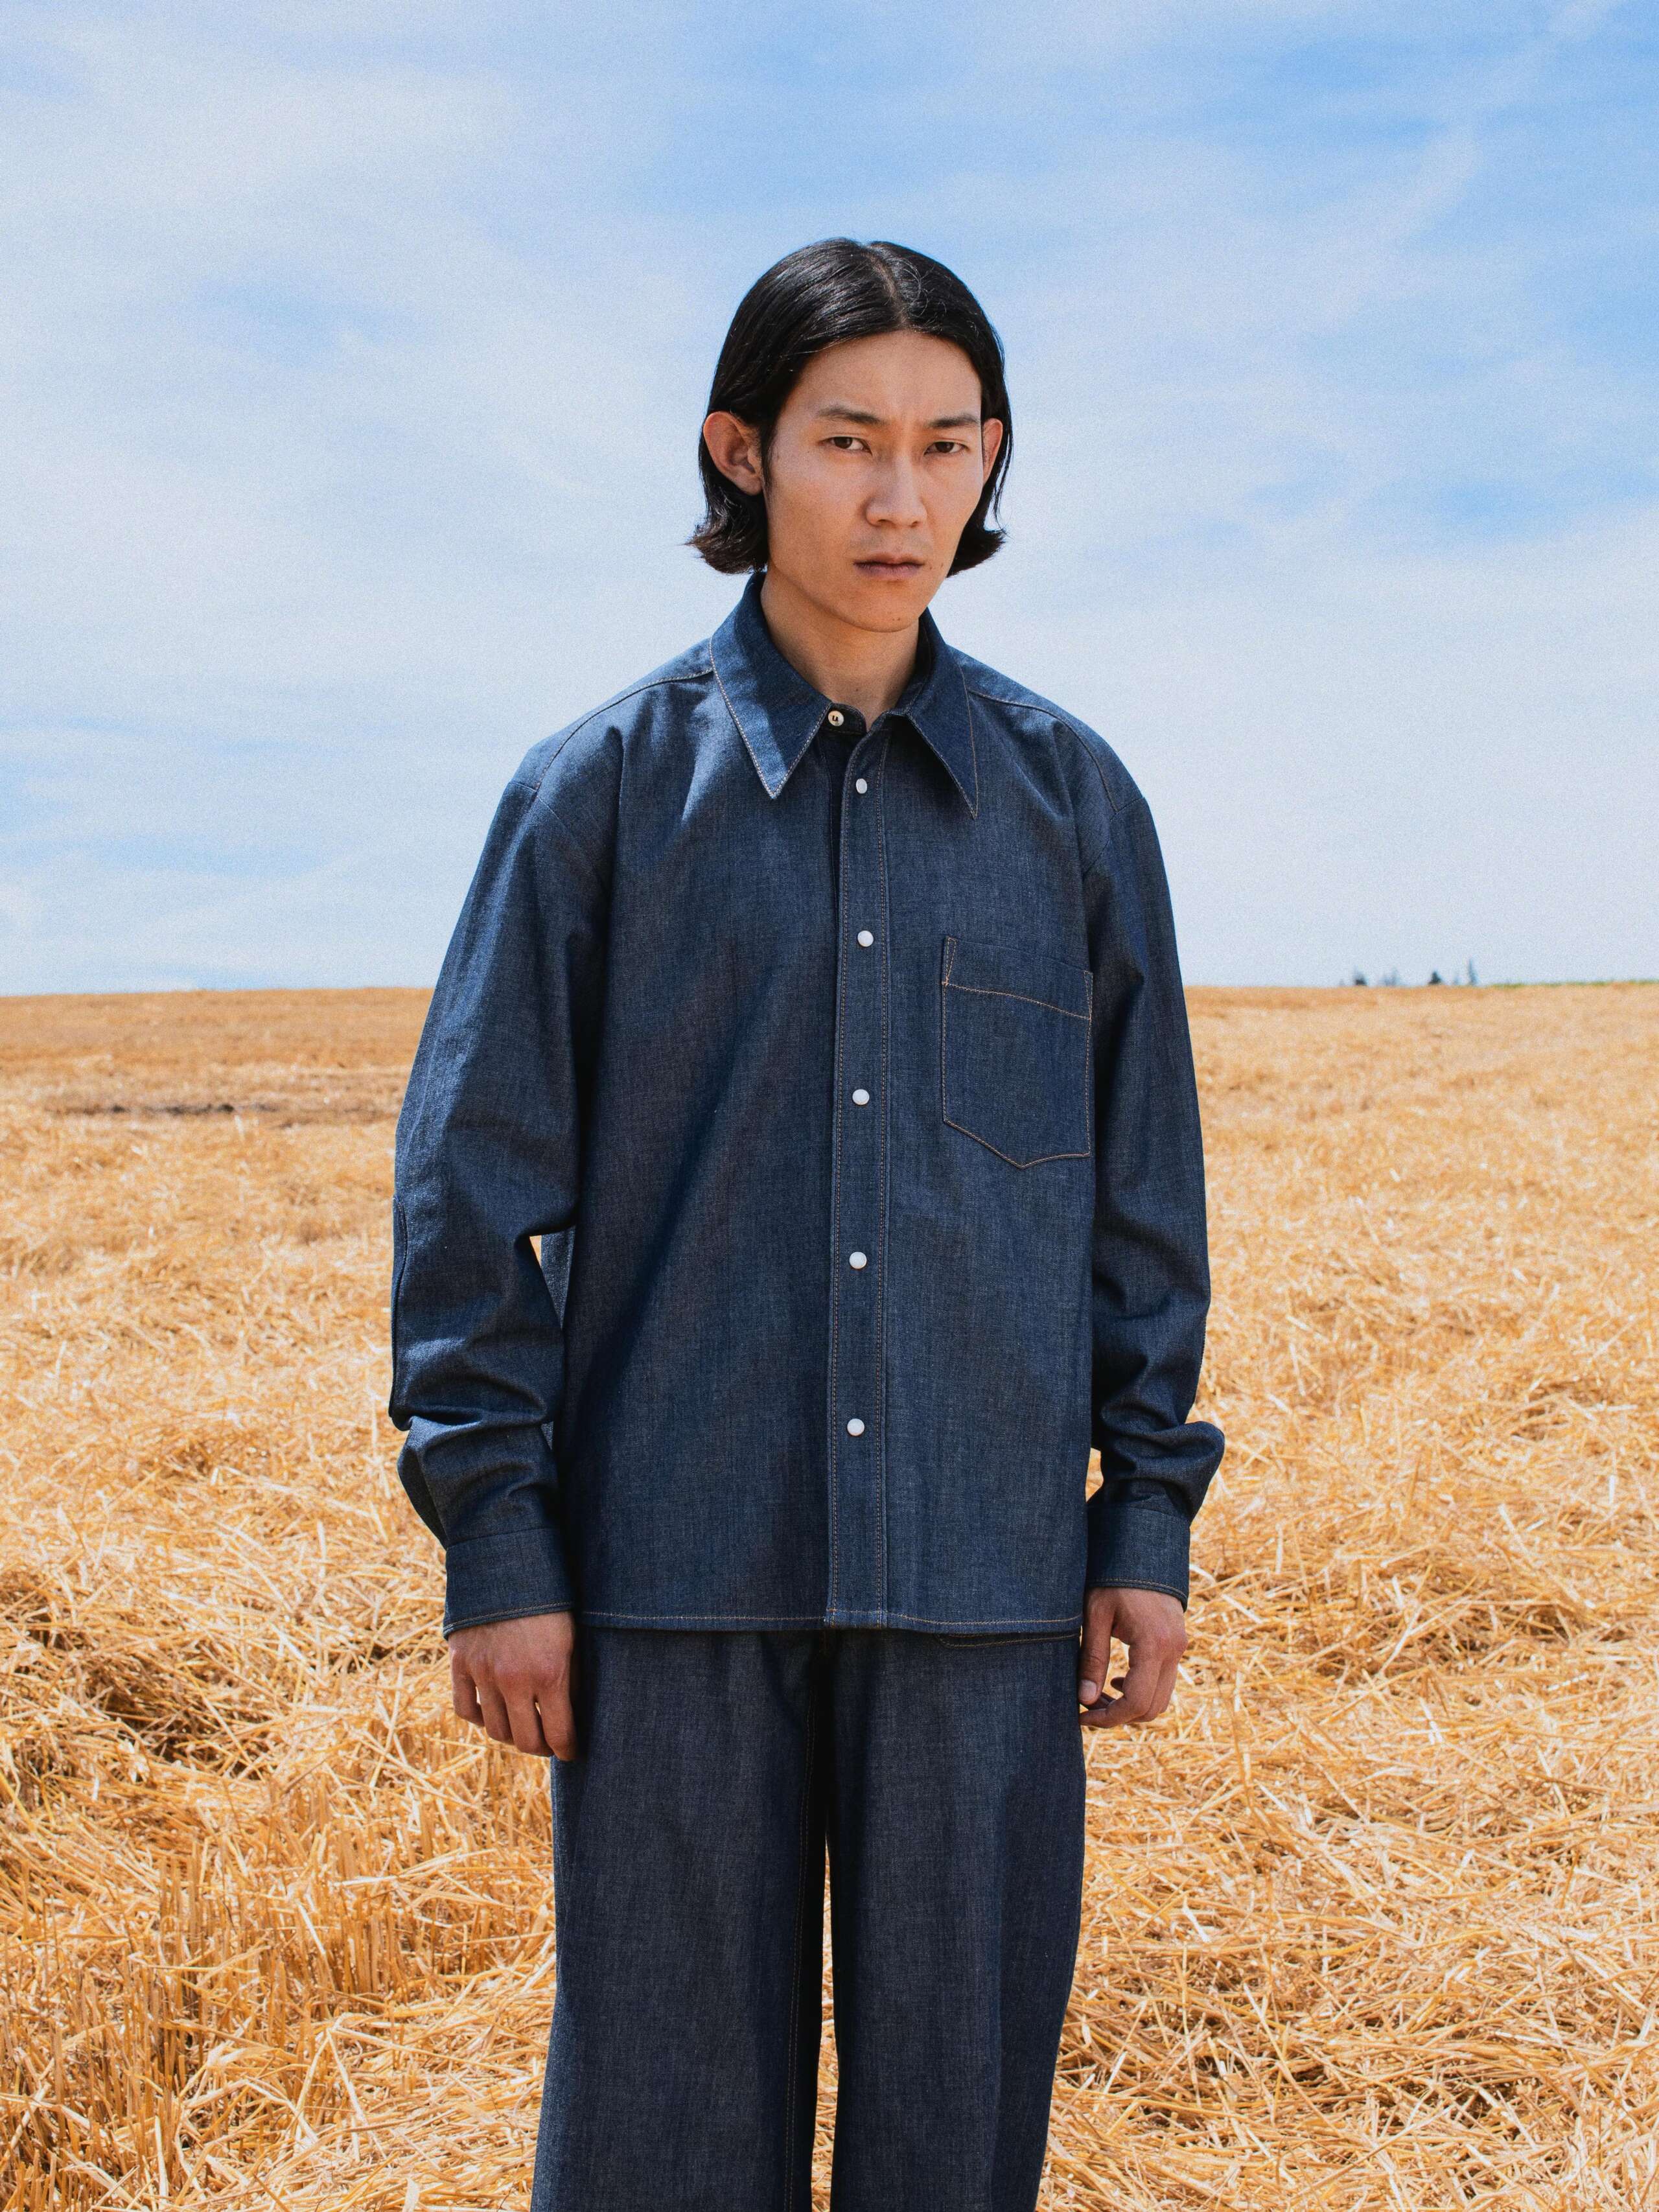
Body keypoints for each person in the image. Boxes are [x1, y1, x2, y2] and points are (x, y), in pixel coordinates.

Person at [388, 236, 1224, 2212]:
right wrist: (497, 1535)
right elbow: (471, 1194)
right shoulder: (592, 798)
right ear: (742, 451)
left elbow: (1142, 1203)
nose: (901, 497)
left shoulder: (1072, 807)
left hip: (985, 1591)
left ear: (992, 464)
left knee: (958, 2152)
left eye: (948, 448)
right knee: (663, 2151)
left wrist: (1146, 1521)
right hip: (674, 1584)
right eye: (850, 440)